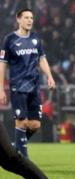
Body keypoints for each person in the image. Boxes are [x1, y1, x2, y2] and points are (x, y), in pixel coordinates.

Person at [0, 8, 56, 158]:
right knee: (21, 123)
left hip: (34, 87)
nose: (30, 20)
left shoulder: (36, 39)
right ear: (18, 19)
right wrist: (1, 89)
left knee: (35, 125)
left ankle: (16, 146)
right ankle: (24, 159)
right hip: (18, 87)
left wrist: (49, 76)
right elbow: (2, 64)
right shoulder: (9, 39)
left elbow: (42, 59)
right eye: (26, 17)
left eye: (31, 17)